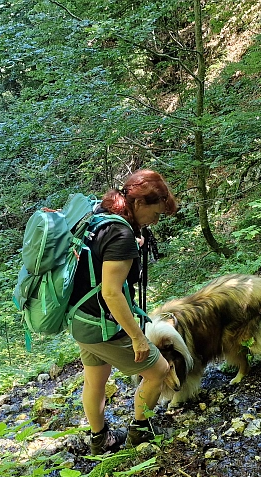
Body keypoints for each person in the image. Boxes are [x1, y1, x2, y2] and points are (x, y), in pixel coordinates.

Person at [68, 169, 179, 455]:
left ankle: (99, 440)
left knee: (95, 381)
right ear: (140, 204)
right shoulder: (121, 235)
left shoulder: (101, 219)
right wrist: (138, 337)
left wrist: (132, 243)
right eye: (155, 213)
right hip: (103, 327)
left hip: (80, 322)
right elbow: (111, 292)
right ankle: (139, 435)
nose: (156, 220)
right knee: (158, 372)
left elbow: (98, 259)